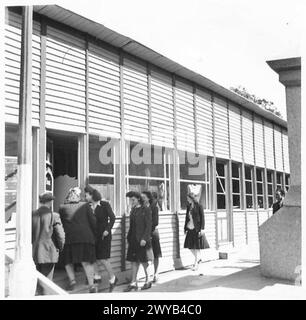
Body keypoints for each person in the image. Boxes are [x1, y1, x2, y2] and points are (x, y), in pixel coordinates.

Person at [59, 187, 97, 293]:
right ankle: (91, 285)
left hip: (70, 238)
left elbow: (61, 223)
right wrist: (94, 235)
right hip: (85, 238)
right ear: (78, 196)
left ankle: (72, 281)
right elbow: (93, 221)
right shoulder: (85, 205)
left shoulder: (62, 207)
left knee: (68, 261)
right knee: (86, 262)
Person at [84, 185, 118, 292]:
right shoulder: (87, 206)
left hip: (104, 235)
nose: (85, 196)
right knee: (93, 257)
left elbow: (112, 218)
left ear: (91, 195)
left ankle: (113, 278)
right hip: (92, 236)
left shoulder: (104, 204)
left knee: (103, 258)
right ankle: (97, 277)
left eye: (86, 194)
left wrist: (108, 229)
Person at [32, 192, 65, 295]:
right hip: (49, 253)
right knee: (47, 281)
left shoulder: (32, 214)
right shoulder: (54, 216)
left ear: (40, 202)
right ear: (50, 202)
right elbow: (61, 235)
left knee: (37, 280)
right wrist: (60, 247)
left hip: (35, 252)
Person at [124, 191, 153, 292]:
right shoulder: (133, 210)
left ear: (138, 199)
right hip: (133, 240)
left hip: (142, 240)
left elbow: (149, 226)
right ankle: (133, 282)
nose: (131, 202)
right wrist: (129, 237)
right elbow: (132, 226)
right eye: (130, 200)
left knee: (144, 261)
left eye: (133, 200)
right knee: (133, 261)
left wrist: (144, 238)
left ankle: (148, 280)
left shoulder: (146, 209)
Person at [184, 192, 208, 271]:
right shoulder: (189, 206)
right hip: (190, 227)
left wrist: (202, 228)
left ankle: (196, 263)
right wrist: (185, 228)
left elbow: (203, 218)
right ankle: (198, 258)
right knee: (189, 246)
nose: (187, 200)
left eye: (188, 198)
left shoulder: (199, 206)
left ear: (191, 198)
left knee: (196, 246)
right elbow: (186, 218)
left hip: (196, 228)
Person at [147, 191, 162, 283]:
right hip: (147, 233)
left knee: (155, 254)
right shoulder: (145, 206)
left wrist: (147, 230)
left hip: (153, 232)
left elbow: (155, 222)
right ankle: (149, 274)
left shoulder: (154, 207)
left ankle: (156, 273)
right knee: (148, 254)